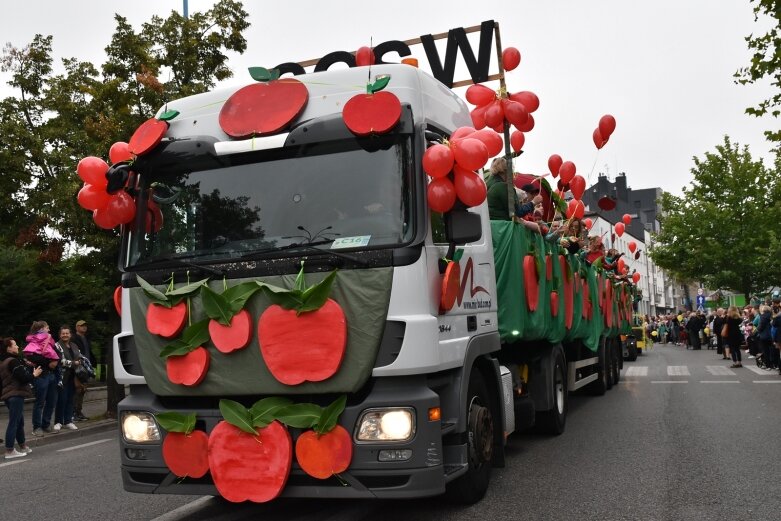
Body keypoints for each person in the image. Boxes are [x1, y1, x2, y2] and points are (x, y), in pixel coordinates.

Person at [1, 338, 42, 458]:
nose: (18, 346)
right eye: (15, 344)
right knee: (14, 422)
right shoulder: (13, 361)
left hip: (9, 396)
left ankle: (23, 445)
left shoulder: (3, 363)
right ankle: (9, 450)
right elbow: (23, 377)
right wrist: (34, 374)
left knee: (19, 421)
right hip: (15, 394)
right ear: (8, 348)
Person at [23, 321, 61, 436]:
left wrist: (55, 362)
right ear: (41, 329)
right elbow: (32, 357)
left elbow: (58, 353)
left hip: (51, 375)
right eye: (47, 328)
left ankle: (46, 424)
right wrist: (49, 362)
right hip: (41, 376)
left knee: (51, 401)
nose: (49, 330)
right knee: (40, 402)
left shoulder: (50, 341)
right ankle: (37, 427)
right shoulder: (33, 342)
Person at [53, 326, 82, 432]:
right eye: (63, 333)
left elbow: (80, 357)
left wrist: (79, 362)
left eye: (67, 333)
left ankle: (68, 421)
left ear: (70, 334)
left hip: (73, 376)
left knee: (71, 399)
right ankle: (58, 422)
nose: (65, 335)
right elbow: (59, 360)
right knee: (62, 399)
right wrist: (74, 363)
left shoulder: (74, 345)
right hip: (61, 377)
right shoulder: (57, 345)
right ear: (60, 335)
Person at [71, 320, 92, 421]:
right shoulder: (74, 339)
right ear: (77, 327)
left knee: (83, 390)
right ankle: (74, 412)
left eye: (85, 325)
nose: (84, 327)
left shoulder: (86, 338)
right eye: (81, 326)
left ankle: (78, 411)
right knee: (78, 389)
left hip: (86, 367)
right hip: (78, 368)